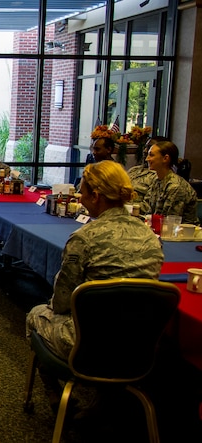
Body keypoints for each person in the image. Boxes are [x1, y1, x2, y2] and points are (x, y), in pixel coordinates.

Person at [25, 160, 163, 412]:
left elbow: (62, 301)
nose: (80, 195)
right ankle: (104, 401)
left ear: (96, 196)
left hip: (86, 345)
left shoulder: (84, 239)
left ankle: (56, 396)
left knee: (36, 315)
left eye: (83, 191)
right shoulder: (150, 238)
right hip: (138, 346)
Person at [143, 139, 199, 224]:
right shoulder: (157, 180)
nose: (147, 159)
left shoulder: (175, 186)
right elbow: (149, 212)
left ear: (165, 158)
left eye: (151, 155)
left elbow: (169, 222)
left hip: (182, 233)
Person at [127, 136, 166, 214]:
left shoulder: (159, 176)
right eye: (145, 147)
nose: (145, 151)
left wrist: (121, 207)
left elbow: (148, 207)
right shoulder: (134, 170)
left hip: (136, 216)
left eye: (149, 149)